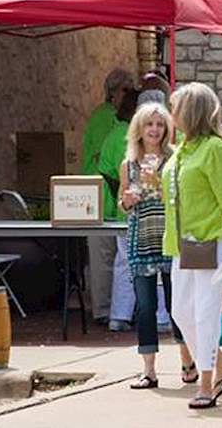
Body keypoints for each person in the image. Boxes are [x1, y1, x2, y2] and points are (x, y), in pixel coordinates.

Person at [161, 83, 222, 409]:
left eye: (176, 108)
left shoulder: (213, 148)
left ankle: (207, 382)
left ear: (191, 112)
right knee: (181, 311)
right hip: (182, 243)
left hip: (212, 239)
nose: (172, 115)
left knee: (206, 313)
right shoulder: (182, 148)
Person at [118, 102, 194, 390]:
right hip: (141, 238)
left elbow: (182, 198)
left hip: (170, 238)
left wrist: (158, 185)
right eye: (149, 124)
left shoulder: (175, 159)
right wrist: (127, 200)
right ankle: (148, 370)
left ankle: (188, 362)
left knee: (178, 304)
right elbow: (123, 202)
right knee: (146, 306)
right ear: (139, 128)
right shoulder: (129, 163)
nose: (154, 129)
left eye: (160, 124)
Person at [82, 68, 136, 328]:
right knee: (106, 259)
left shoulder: (116, 123)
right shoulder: (106, 119)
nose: (128, 95)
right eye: (126, 90)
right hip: (102, 198)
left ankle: (117, 311)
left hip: (111, 198)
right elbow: (111, 162)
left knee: (119, 260)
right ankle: (104, 310)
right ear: (113, 92)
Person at [97, 88, 141, 331]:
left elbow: (107, 171)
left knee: (123, 262)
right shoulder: (133, 138)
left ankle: (119, 315)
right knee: (152, 266)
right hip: (139, 210)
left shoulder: (112, 135)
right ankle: (159, 317)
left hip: (118, 208)